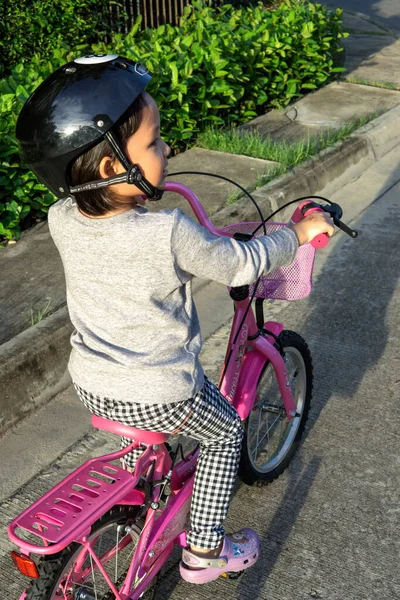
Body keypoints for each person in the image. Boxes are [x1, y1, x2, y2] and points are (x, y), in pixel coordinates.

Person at [16, 54, 334, 585]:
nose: (166, 150)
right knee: (225, 432)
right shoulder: (167, 233)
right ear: (111, 166)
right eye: (156, 141)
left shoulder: (61, 217)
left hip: (93, 383)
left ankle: (134, 483)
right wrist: (298, 235)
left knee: (143, 426)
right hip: (162, 390)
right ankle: (206, 549)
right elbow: (239, 262)